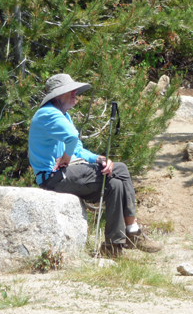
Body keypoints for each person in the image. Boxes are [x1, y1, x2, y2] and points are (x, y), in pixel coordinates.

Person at [28, 73, 163, 257]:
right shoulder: (47, 113)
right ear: (58, 95)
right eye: (70, 90)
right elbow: (72, 139)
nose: (75, 93)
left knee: (114, 184)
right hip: (52, 178)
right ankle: (132, 231)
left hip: (62, 176)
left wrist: (97, 159)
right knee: (121, 169)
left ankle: (112, 247)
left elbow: (78, 149)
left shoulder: (63, 116)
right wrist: (66, 157)